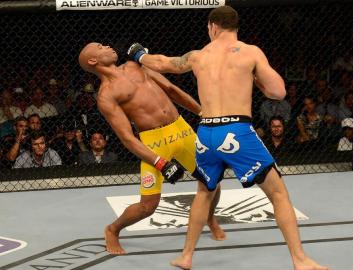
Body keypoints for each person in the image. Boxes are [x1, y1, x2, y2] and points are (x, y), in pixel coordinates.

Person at [131, 5, 329, 270]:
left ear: (213, 26)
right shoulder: (250, 52)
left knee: (203, 192)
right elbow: (279, 92)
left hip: (205, 133)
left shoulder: (198, 56)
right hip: (236, 131)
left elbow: (164, 63)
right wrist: (255, 79)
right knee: (279, 194)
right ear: (235, 28)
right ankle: (300, 259)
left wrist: (139, 54)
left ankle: (186, 256)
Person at [78, 42, 225, 255]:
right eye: (101, 47)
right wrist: (160, 162)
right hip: (154, 142)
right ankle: (112, 229)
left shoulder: (136, 66)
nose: (108, 46)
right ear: (93, 61)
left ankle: (209, 218)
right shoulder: (106, 95)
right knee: (148, 206)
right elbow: (127, 138)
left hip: (181, 130)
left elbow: (171, 90)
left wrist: (203, 113)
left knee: (212, 181)